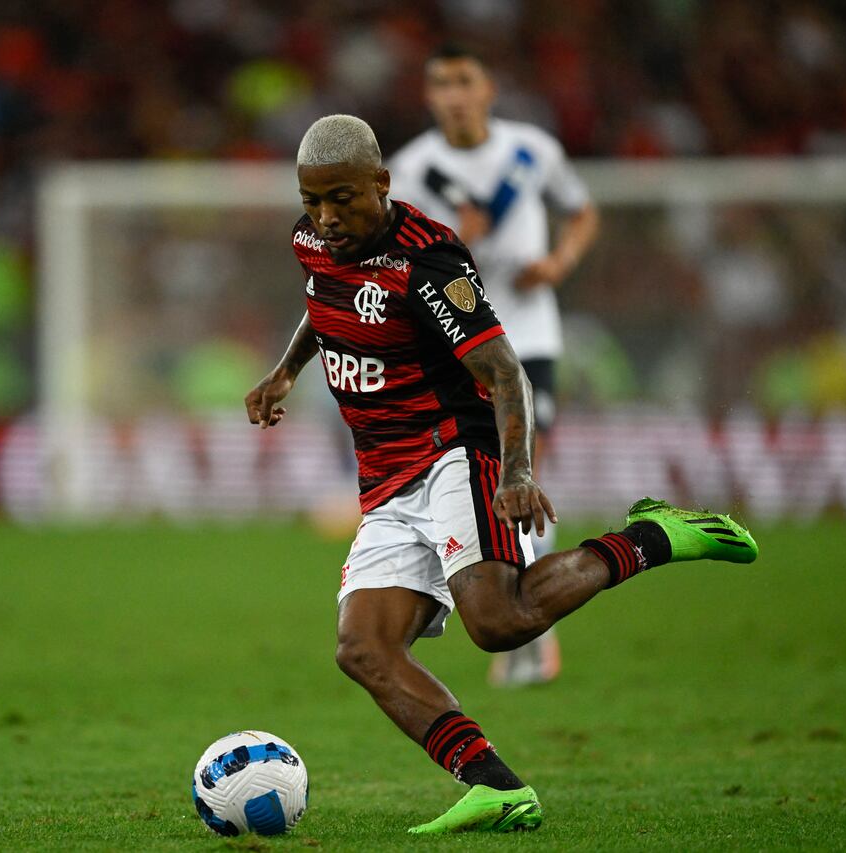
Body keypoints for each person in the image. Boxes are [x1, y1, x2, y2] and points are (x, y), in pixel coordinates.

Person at [244, 114, 755, 834]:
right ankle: (496, 787)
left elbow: (505, 372)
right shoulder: (314, 240)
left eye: (342, 199)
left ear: (381, 184)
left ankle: (653, 537)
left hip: (455, 450)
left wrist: (517, 471)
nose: (325, 217)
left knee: (498, 621)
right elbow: (325, 302)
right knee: (363, 647)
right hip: (385, 477)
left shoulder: (430, 262)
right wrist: (286, 370)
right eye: (312, 200)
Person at [389, 43, 601, 687]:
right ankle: (517, 617)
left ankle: (531, 630)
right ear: (429, 97)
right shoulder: (410, 171)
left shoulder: (532, 151)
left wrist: (559, 263)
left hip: (529, 339)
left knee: (524, 469)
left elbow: (582, 212)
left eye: (464, 81)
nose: (454, 95)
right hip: (459, 345)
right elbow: (396, 260)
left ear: (488, 90)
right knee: (483, 480)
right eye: (441, 83)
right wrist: (457, 244)